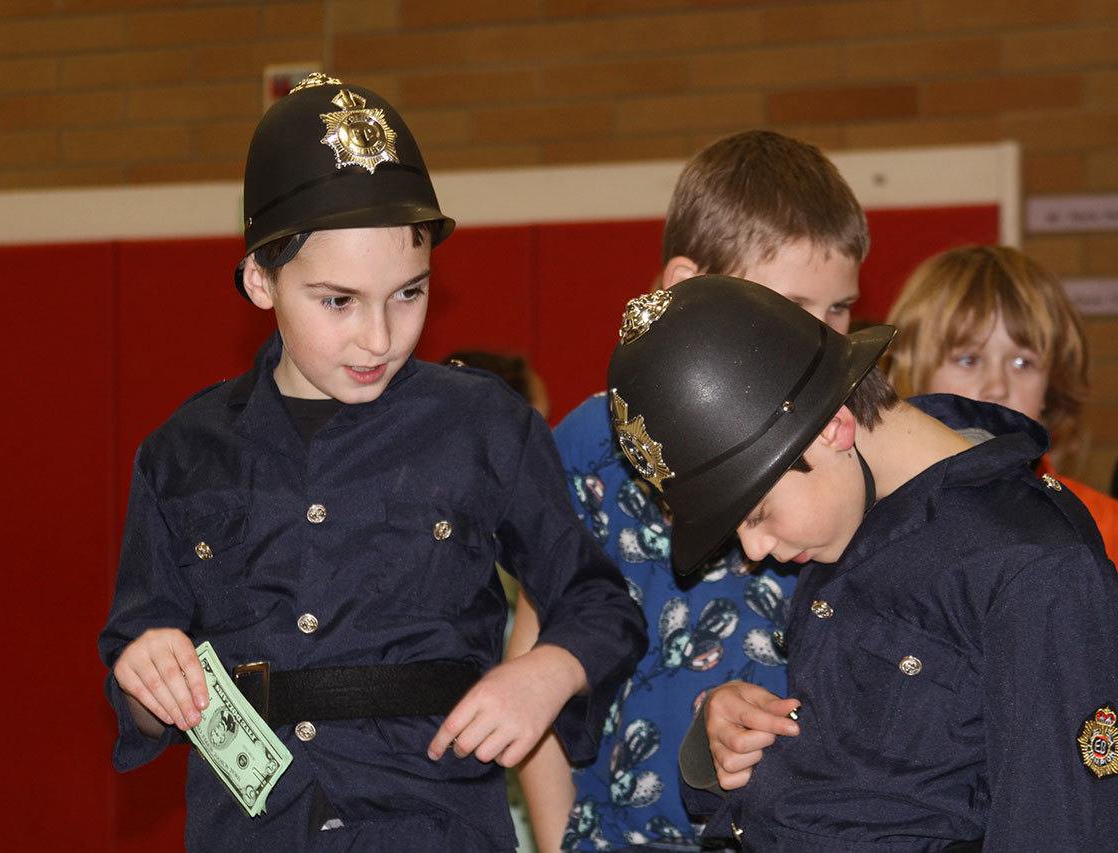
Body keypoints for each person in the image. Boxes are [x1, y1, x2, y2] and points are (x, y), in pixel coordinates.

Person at [98, 73, 647, 853]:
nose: (380, 337)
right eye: (338, 301)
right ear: (262, 279)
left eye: (409, 294)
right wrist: (146, 672)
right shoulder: (182, 454)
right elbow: (137, 661)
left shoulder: (485, 426)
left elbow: (601, 603)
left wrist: (549, 669)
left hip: (436, 825)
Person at [615, 275, 1118, 849]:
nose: (753, 552)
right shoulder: (850, 512)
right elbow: (860, 775)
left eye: (756, 513)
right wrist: (723, 740)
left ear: (833, 428)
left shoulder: (1035, 570)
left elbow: (1063, 830)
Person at [508, 129, 867, 852]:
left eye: (840, 310)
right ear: (681, 287)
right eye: (797, 306)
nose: (823, 339)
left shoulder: (842, 450)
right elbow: (534, 667)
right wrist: (558, 845)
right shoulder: (588, 452)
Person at [883, 244, 1118, 563]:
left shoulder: (1102, 529)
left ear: (1051, 387)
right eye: (969, 359)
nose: (997, 388)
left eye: (1023, 363)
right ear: (913, 372)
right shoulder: (869, 521)